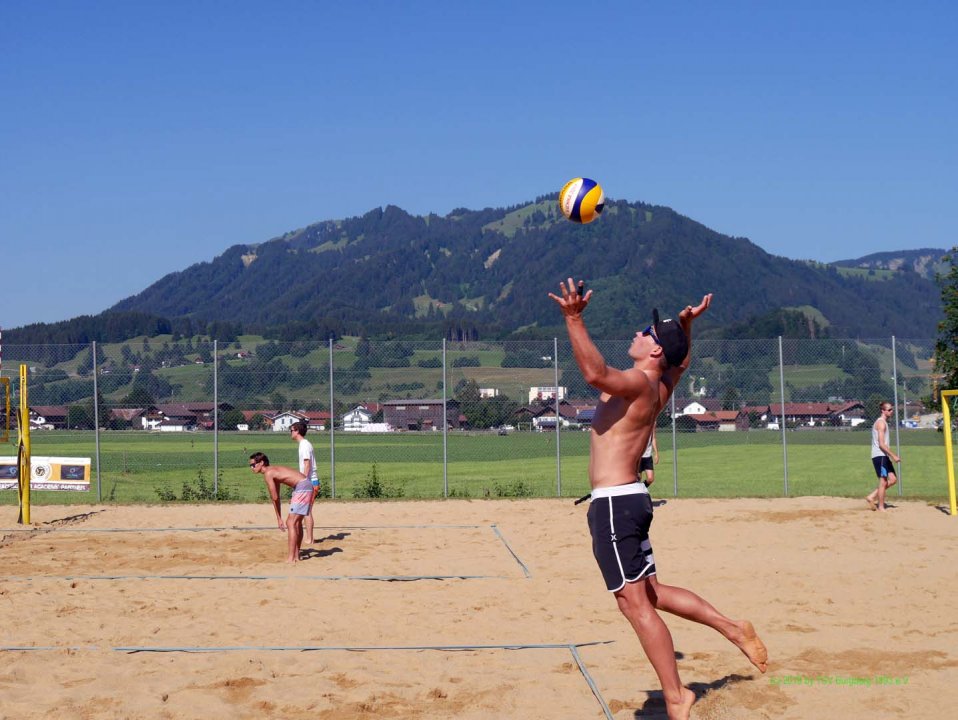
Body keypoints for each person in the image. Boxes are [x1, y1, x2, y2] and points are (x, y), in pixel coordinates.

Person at [549, 278, 767, 720]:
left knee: (633, 603)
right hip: (631, 500)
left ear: (653, 352)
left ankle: (675, 696)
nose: (638, 332)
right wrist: (684, 326)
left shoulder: (639, 384)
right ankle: (732, 628)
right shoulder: (659, 385)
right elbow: (680, 363)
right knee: (651, 592)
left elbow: (593, 373)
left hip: (614, 506)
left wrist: (573, 318)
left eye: (647, 333)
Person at [248, 452, 311, 563]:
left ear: (261, 463)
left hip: (301, 486)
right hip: (305, 485)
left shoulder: (268, 473)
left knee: (290, 523)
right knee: (296, 523)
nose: (251, 468)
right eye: (250, 466)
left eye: (253, 465)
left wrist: (280, 518)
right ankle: (296, 555)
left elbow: (274, 497)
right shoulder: (273, 472)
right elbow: (277, 498)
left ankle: (291, 558)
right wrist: (278, 518)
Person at [866, 401, 900, 512]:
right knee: (883, 481)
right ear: (883, 411)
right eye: (889, 409)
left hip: (884, 456)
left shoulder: (884, 423)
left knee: (893, 479)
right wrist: (893, 455)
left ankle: (871, 496)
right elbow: (881, 444)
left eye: (892, 409)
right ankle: (881, 507)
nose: (891, 411)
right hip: (879, 455)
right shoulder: (880, 423)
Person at [290, 420, 320, 543]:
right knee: (306, 510)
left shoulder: (304, 445)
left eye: (291, 430)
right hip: (309, 481)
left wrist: (303, 481)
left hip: (309, 482)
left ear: (297, 431)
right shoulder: (304, 444)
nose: (290, 433)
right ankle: (310, 538)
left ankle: (309, 539)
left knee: (306, 511)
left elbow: (307, 464)